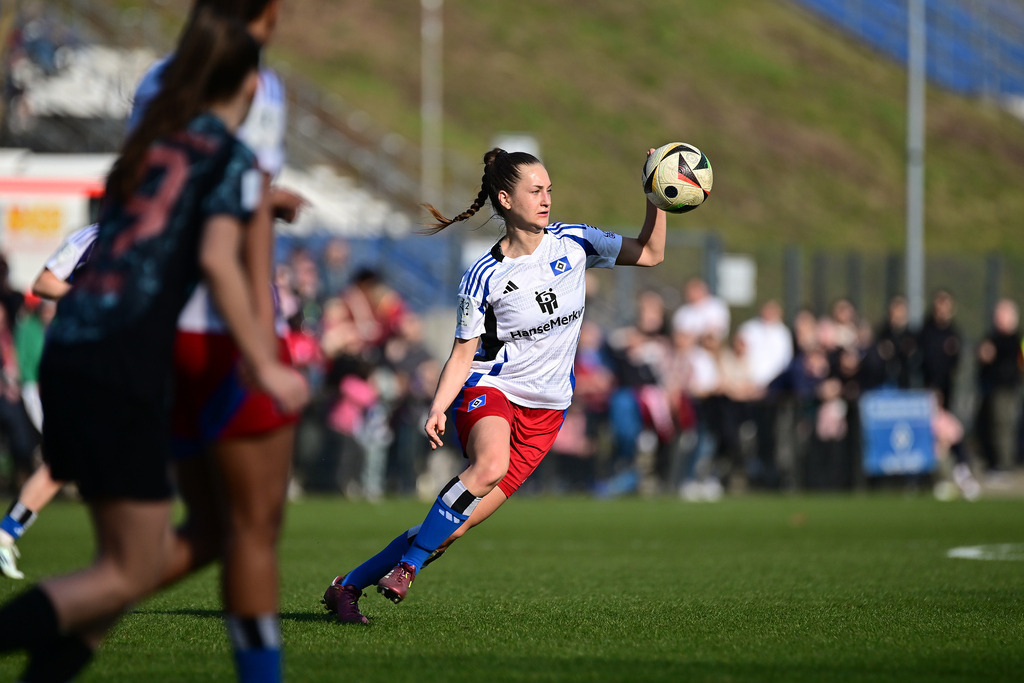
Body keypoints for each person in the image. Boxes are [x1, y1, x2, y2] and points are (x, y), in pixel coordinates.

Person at [0, 11, 307, 682]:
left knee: (139, 559)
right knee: (165, 556)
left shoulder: (151, 145)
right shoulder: (231, 151)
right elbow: (224, 262)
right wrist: (266, 361)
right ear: (250, 86)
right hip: (142, 353)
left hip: (78, 344)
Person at [321, 146, 667, 624]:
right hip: (493, 392)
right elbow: (462, 352)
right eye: (535, 191)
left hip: (547, 412)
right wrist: (439, 407)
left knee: (451, 530)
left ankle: (347, 587)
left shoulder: (575, 242)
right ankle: (408, 567)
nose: (547, 199)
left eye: (549, 189)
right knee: (488, 466)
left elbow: (650, 254)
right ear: (505, 199)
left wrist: (657, 195)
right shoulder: (483, 276)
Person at [0, 223, 98, 582]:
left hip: (119, 360)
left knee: (65, 461)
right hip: (85, 358)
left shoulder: (163, 235)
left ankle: (6, 532)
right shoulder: (96, 235)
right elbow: (44, 283)